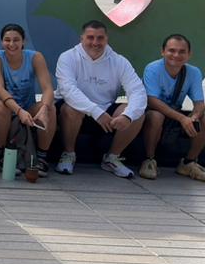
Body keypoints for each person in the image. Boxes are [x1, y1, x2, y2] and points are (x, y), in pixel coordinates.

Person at [55, 20, 146, 177]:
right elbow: (68, 90)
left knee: (137, 114)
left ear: (106, 39)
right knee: (71, 108)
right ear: (81, 38)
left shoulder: (119, 61)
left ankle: (112, 158)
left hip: (107, 115)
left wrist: (127, 116)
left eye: (100, 38)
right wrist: (95, 112)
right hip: (77, 113)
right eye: (90, 38)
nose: (95, 43)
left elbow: (137, 91)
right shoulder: (67, 57)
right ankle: (69, 154)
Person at [140, 34, 205, 183]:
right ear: (163, 52)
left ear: (189, 54)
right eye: (172, 50)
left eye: (182, 52)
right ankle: (149, 160)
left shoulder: (194, 72)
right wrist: (182, 118)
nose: (176, 55)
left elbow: (200, 104)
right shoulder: (153, 69)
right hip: (152, 113)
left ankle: (188, 163)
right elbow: (152, 100)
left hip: (174, 114)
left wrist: (193, 117)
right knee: (156, 116)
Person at [0, 23, 57, 178]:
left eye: (16, 40)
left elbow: (47, 89)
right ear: (1, 42)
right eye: (7, 40)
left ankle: (41, 158)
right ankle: (1, 155)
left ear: (23, 41)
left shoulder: (35, 57)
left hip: (27, 107)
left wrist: (44, 108)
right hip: (7, 107)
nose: (11, 44)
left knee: (51, 107)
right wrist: (19, 111)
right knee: (0, 106)